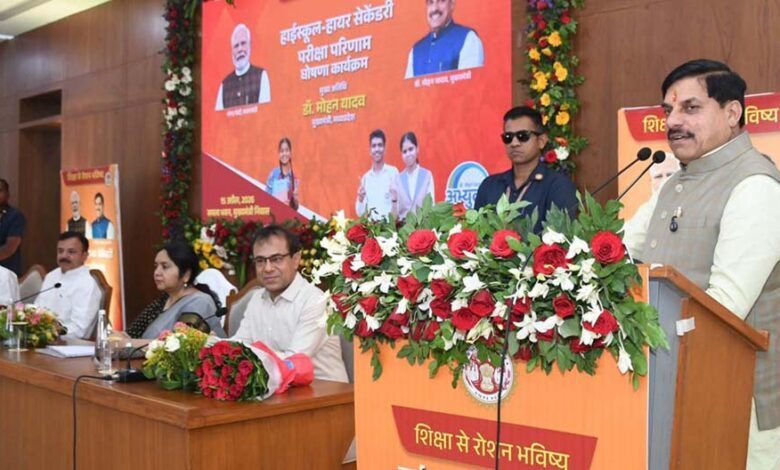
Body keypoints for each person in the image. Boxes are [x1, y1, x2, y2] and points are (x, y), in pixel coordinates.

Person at [623, 59, 780, 470]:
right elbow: (622, 251)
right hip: (678, 387)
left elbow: (724, 308)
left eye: (690, 108)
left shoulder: (755, 185)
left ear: (732, 112)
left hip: (739, 406)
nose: (673, 121)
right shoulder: (675, 183)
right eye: (668, 110)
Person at [232, 225, 347, 383]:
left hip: (324, 392)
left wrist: (248, 358)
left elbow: (294, 362)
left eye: (276, 259)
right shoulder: (257, 298)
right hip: (275, 388)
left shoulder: (315, 300)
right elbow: (239, 345)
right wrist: (208, 344)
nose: (267, 268)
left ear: (296, 259)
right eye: (260, 261)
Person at [474, 106, 577, 232]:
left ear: (541, 141)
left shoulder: (558, 186)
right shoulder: (489, 186)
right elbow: (478, 234)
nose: (514, 143)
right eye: (508, 137)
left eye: (522, 136)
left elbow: (562, 236)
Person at [126, 241, 225, 339]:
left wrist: (127, 343)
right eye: (156, 266)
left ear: (186, 274)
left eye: (165, 267)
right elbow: (131, 333)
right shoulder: (164, 299)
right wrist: (120, 338)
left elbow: (178, 343)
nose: (157, 272)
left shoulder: (200, 302)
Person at [36, 232, 101, 339]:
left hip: (70, 343)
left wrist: (49, 332)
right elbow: (37, 310)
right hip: (43, 339)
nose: (64, 256)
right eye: (60, 251)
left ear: (84, 256)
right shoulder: (51, 276)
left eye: (71, 252)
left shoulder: (87, 283)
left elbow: (80, 329)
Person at [404, 0, 484, 79]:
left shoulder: (468, 39)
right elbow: (408, 87)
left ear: (452, 4)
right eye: (430, 2)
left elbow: (469, 85)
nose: (434, 8)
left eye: (441, 1)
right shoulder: (416, 51)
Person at [215, 23, 270, 110]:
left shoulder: (261, 75)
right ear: (232, 51)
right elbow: (218, 116)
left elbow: (266, 111)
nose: (240, 49)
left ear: (250, 45)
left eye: (243, 43)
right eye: (236, 46)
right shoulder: (224, 85)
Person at [356, 129, 399, 220]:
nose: (377, 149)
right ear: (370, 150)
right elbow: (360, 213)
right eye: (374, 146)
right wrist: (360, 199)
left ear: (384, 148)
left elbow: (400, 207)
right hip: (372, 227)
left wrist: (394, 199)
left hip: (390, 226)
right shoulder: (366, 178)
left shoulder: (393, 172)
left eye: (380, 145)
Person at [391, 132, 435, 219]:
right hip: (403, 226)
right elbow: (394, 218)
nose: (408, 154)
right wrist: (394, 199)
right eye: (404, 151)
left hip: (423, 226)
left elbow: (432, 207)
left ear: (417, 149)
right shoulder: (397, 179)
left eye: (411, 149)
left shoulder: (427, 176)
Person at [266, 137, 300, 209]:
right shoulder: (273, 175)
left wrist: (296, 200)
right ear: (279, 154)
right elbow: (266, 198)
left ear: (290, 153)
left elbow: (295, 208)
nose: (284, 153)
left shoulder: (294, 179)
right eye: (282, 151)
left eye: (287, 150)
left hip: (287, 215)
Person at [0, 179, 25, 276]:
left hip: (7, 274)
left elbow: (9, 249)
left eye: (0, 190)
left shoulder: (15, 216)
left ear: (7, 194)